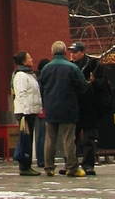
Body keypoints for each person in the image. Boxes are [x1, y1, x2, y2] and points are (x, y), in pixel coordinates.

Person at [38, 40, 89, 177]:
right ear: (65, 51)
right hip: (68, 107)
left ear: (52, 52)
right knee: (69, 139)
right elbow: (83, 87)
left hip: (51, 107)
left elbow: (40, 88)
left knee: (50, 139)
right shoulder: (72, 67)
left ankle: (49, 167)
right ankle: (72, 168)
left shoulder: (46, 68)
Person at [76, 62, 113, 175]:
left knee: (83, 139)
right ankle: (81, 165)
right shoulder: (102, 81)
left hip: (87, 112)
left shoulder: (97, 80)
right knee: (82, 139)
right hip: (88, 113)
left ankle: (81, 164)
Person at [69, 41, 101, 175]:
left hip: (90, 106)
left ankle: (88, 164)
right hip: (74, 105)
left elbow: (102, 84)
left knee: (89, 138)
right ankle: (71, 164)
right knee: (71, 137)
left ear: (83, 52)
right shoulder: (69, 67)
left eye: (75, 52)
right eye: (71, 52)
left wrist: (94, 82)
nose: (73, 55)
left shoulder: (94, 64)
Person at [11, 50, 42, 175]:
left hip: (31, 110)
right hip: (25, 112)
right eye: (29, 58)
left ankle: (26, 163)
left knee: (28, 138)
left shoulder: (30, 75)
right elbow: (21, 93)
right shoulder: (20, 75)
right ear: (24, 61)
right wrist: (25, 110)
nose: (31, 59)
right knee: (25, 138)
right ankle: (23, 164)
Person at [35, 59, 50, 167]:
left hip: (40, 108)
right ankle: (42, 159)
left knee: (41, 135)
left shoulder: (37, 77)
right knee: (44, 135)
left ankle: (40, 158)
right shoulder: (44, 78)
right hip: (45, 107)